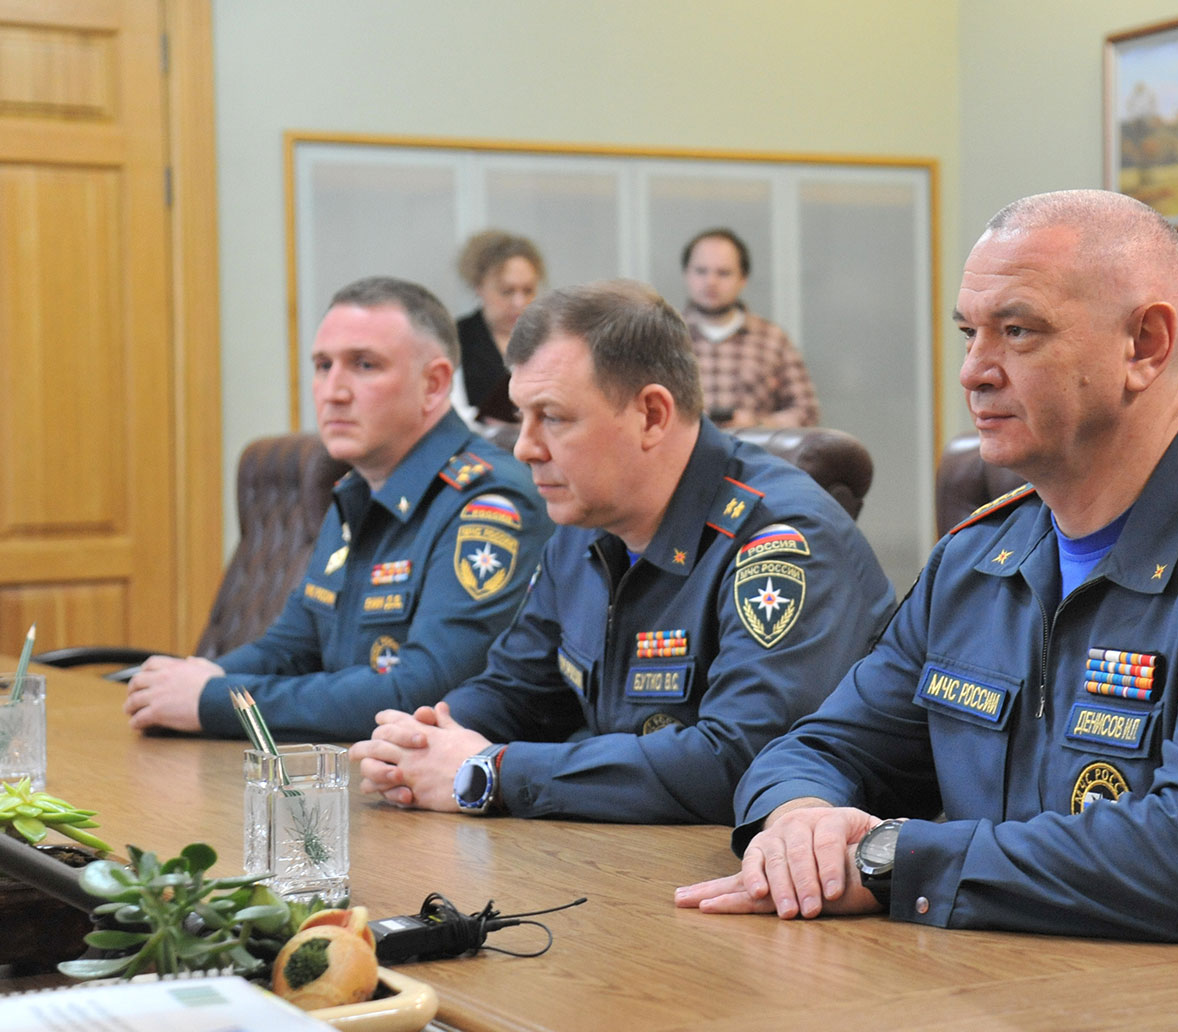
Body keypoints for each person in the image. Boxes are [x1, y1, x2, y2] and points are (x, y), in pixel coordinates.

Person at [676, 191, 1178, 986]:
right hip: (1037, 982)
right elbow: (819, 748)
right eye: (969, 333)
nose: (974, 371)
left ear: (1145, 345)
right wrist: (798, 824)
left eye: (1018, 331)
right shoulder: (976, 559)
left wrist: (889, 858)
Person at [348, 280, 895, 823]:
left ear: (652, 415)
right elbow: (517, 689)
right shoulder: (586, 522)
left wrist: (492, 771)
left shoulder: (781, 539)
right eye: (520, 417)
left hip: (757, 862)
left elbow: (741, 760)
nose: (525, 448)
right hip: (619, 851)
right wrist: (421, 744)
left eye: (552, 417)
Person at [124, 277, 552, 742]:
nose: (333, 391)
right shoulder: (358, 489)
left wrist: (217, 701)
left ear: (433, 385)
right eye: (323, 366)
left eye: (364, 365)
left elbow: (424, 693)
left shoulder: (488, 502)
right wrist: (196, 679)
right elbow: (293, 645)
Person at [680, 228, 820, 429]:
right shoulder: (666, 337)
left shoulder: (772, 338)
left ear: (743, 279)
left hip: (753, 447)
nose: (711, 282)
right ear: (686, 274)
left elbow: (807, 411)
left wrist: (758, 424)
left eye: (723, 273)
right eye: (701, 271)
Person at [453, 229, 544, 425]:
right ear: (479, 287)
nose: (519, 302)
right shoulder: (456, 339)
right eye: (507, 291)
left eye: (528, 291)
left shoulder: (548, 339)